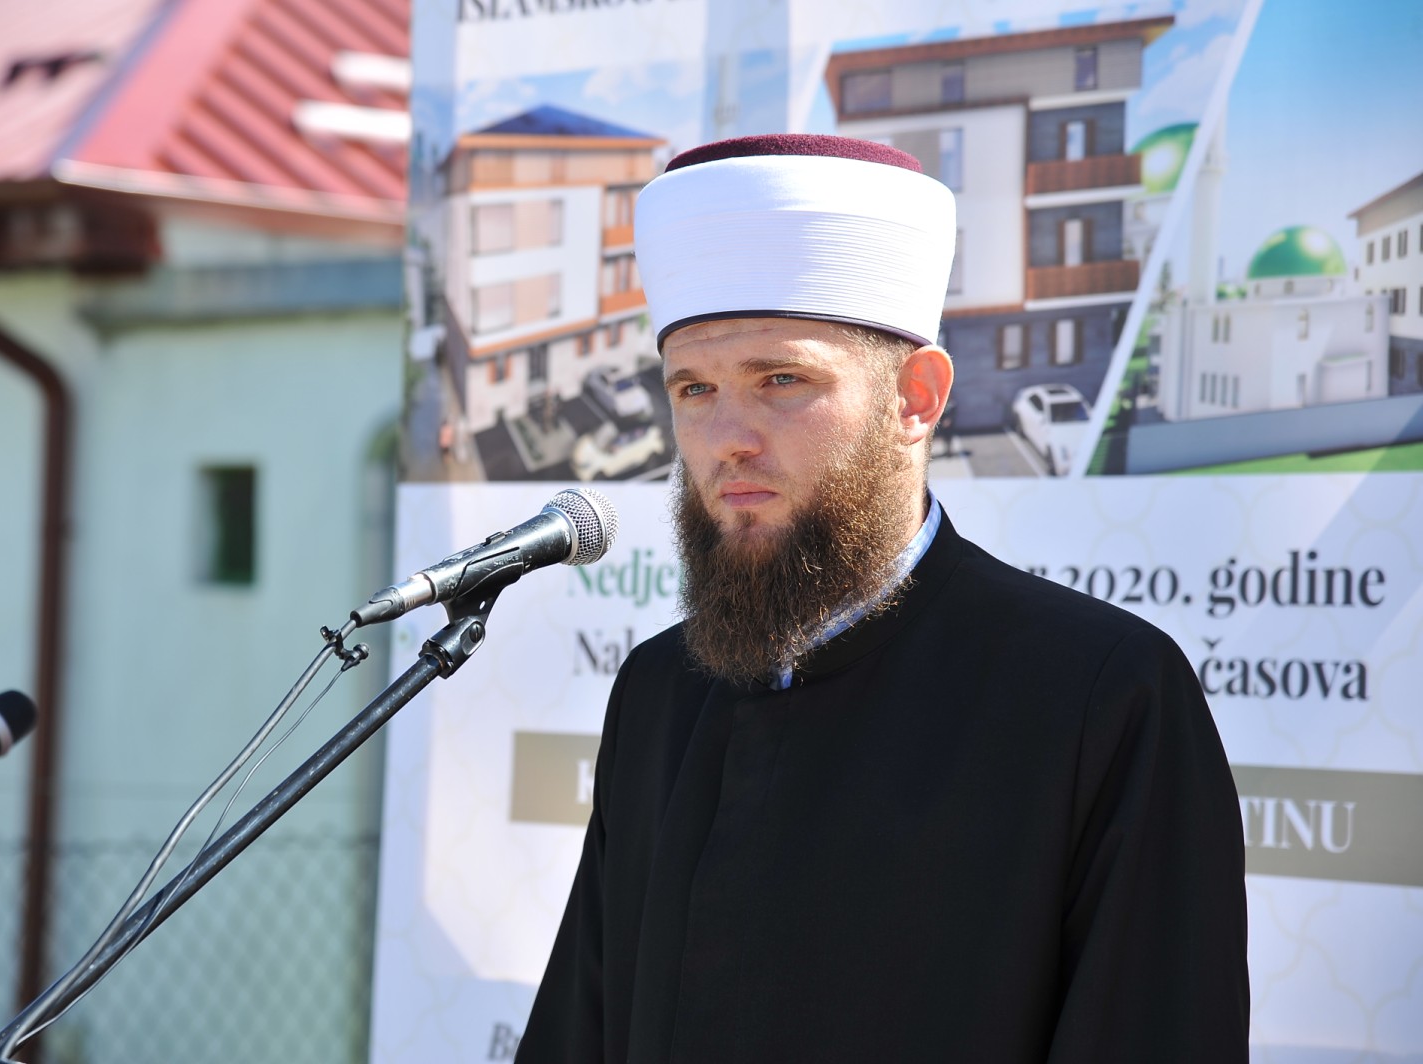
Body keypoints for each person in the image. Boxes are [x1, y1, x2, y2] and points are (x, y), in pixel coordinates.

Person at [516, 134, 1248, 1063]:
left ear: (916, 398)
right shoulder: (660, 689)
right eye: (694, 389)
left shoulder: (1102, 695)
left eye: (781, 380)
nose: (726, 437)